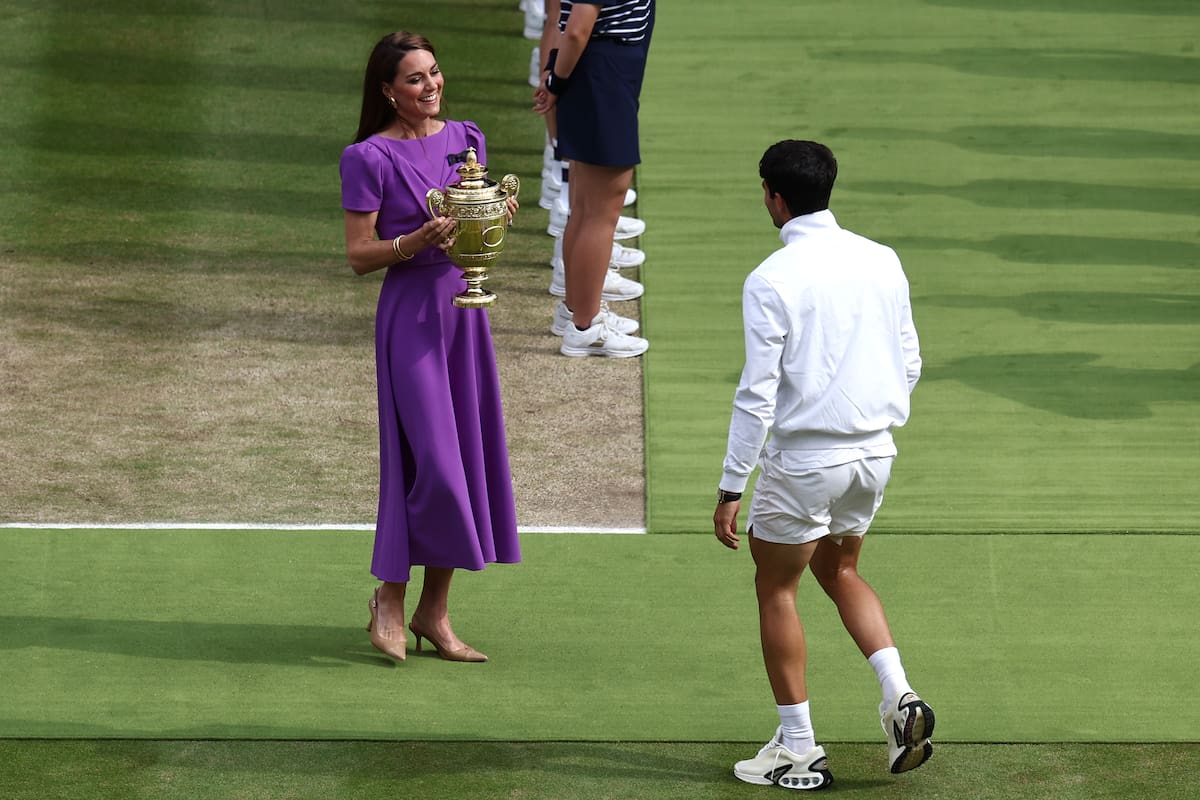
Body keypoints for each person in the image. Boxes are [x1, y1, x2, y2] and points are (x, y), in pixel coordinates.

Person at [713, 140, 932, 789]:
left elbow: (756, 393)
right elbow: (910, 362)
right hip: (875, 454)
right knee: (841, 568)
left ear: (774, 198)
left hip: (808, 459)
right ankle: (899, 697)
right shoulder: (882, 260)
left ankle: (800, 749)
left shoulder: (769, 279)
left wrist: (732, 484)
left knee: (776, 584)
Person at [339, 31, 521, 664]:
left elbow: (476, 221)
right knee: (432, 465)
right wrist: (415, 241)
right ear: (387, 89)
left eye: (434, 73)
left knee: (465, 460)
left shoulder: (467, 139)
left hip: (464, 313)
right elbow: (359, 256)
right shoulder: (367, 157)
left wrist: (494, 216)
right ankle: (389, 596)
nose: (430, 86)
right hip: (411, 318)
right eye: (414, 79)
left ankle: (433, 613)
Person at [533, 0, 654, 358]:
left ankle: (576, 310)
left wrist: (556, 77)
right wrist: (555, 82)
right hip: (601, 74)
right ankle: (586, 327)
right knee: (600, 213)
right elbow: (576, 28)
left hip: (600, 71)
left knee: (585, 209)